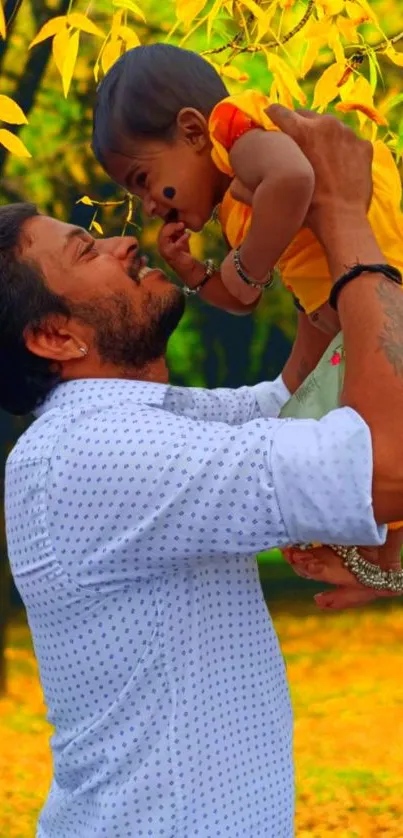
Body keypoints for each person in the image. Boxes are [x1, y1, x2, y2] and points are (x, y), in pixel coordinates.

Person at [4, 108, 403, 837]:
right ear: (55, 335)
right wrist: (348, 220)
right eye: (88, 248)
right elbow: (388, 459)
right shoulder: (94, 456)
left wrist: (304, 238)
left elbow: (292, 404)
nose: (128, 240)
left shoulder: (135, 425)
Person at [91, 43, 403, 574]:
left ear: (191, 131)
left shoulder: (234, 129)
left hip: (380, 287)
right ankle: (380, 560)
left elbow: (295, 181)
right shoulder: (236, 202)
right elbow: (243, 298)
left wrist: (244, 266)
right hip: (354, 318)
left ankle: (376, 553)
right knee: (329, 438)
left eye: (143, 179)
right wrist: (195, 273)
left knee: (360, 447)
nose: (147, 205)